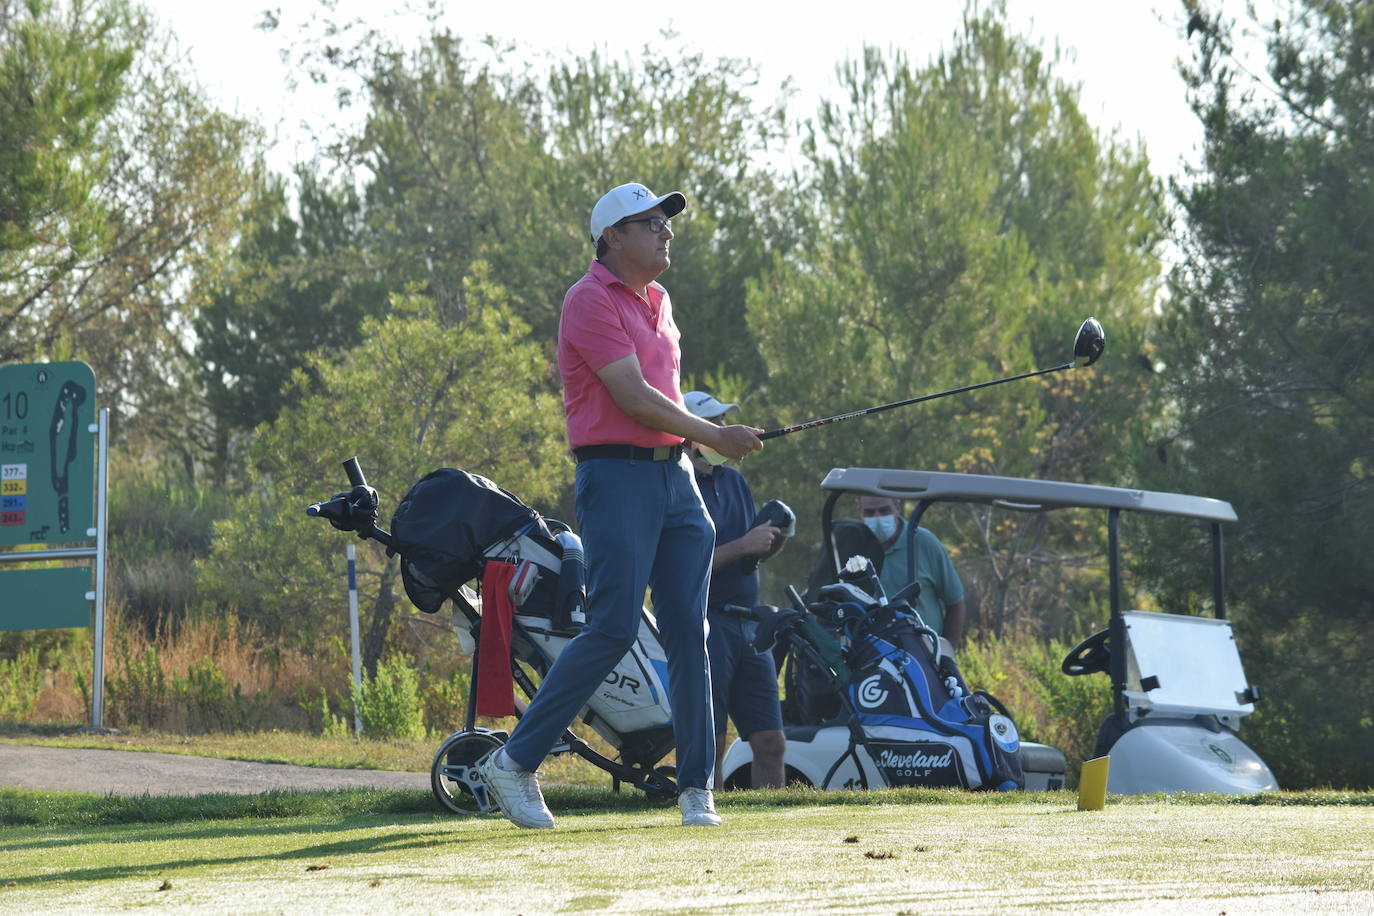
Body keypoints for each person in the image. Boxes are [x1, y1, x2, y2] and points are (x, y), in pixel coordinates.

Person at [478, 182, 763, 829]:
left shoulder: (660, 301)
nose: (667, 232)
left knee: (692, 631)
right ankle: (515, 763)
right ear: (614, 236)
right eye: (652, 223)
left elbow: (665, 399)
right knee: (610, 627)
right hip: (616, 477)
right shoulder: (587, 300)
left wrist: (705, 438)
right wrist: (716, 434)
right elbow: (632, 397)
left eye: (668, 222)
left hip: (677, 480)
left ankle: (696, 790)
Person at [683, 390, 788, 790]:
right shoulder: (677, 485)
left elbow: (746, 557)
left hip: (750, 625)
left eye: (725, 422)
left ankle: (772, 822)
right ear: (690, 431)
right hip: (706, 622)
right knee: (711, 737)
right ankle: (710, 811)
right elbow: (684, 568)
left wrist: (767, 545)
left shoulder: (734, 480)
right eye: (716, 423)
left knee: (770, 740)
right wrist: (744, 545)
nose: (725, 430)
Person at [858, 495, 967, 647]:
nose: (877, 518)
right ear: (860, 513)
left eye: (884, 510)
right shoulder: (853, 546)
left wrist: (946, 654)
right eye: (869, 513)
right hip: (871, 653)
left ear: (897, 508)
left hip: (923, 652)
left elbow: (955, 601)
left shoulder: (924, 543)